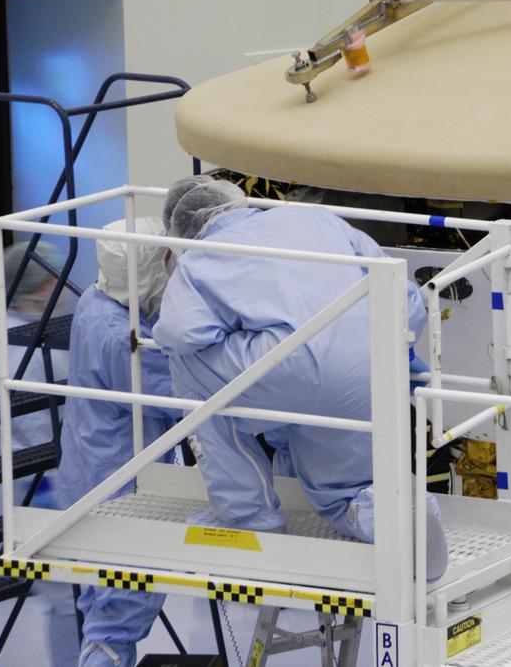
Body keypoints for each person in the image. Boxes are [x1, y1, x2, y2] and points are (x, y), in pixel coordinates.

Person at [154, 177, 448, 579]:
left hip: (293, 372)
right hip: (370, 364)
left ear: (181, 231)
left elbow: (179, 333)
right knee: (342, 493)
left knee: (187, 363)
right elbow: (401, 290)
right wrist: (396, 354)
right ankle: (396, 512)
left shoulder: (200, 259)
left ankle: (247, 516)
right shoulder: (316, 219)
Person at [57, 218, 180, 667]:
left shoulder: (94, 302)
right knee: (116, 619)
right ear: (145, 271)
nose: (172, 265)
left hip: (89, 477)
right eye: (165, 259)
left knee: (103, 608)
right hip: (120, 492)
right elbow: (179, 394)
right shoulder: (121, 338)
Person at [0, 242, 76, 666]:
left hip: (3, 472)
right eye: (49, 280)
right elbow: (38, 426)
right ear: (29, 289)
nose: (58, 286)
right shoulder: (16, 343)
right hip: (17, 478)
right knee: (61, 591)